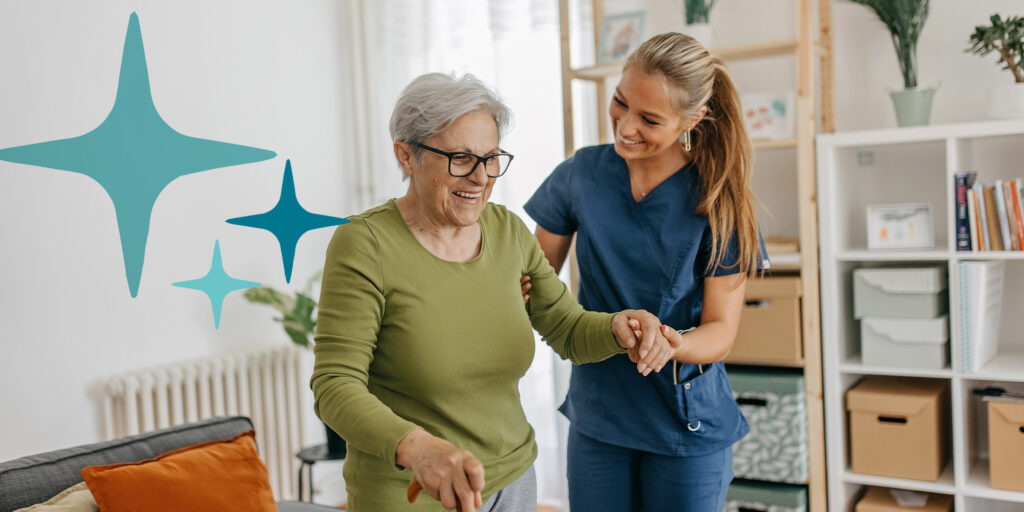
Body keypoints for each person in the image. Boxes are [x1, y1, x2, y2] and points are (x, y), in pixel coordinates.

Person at [310, 72, 675, 512]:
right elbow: (335, 385)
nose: (482, 177)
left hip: (513, 481)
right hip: (411, 490)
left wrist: (619, 326)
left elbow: (566, 327)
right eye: (461, 158)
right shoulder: (365, 245)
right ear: (406, 156)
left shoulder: (507, 231)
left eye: (491, 158)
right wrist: (418, 448)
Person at [523, 32, 767, 511]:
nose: (625, 126)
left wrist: (675, 343)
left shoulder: (719, 200)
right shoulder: (580, 176)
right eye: (620, 102)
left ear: (691, 120)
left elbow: (721, 330)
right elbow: (533, 283)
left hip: (683, 423)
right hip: (600, 414)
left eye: (650, 119)